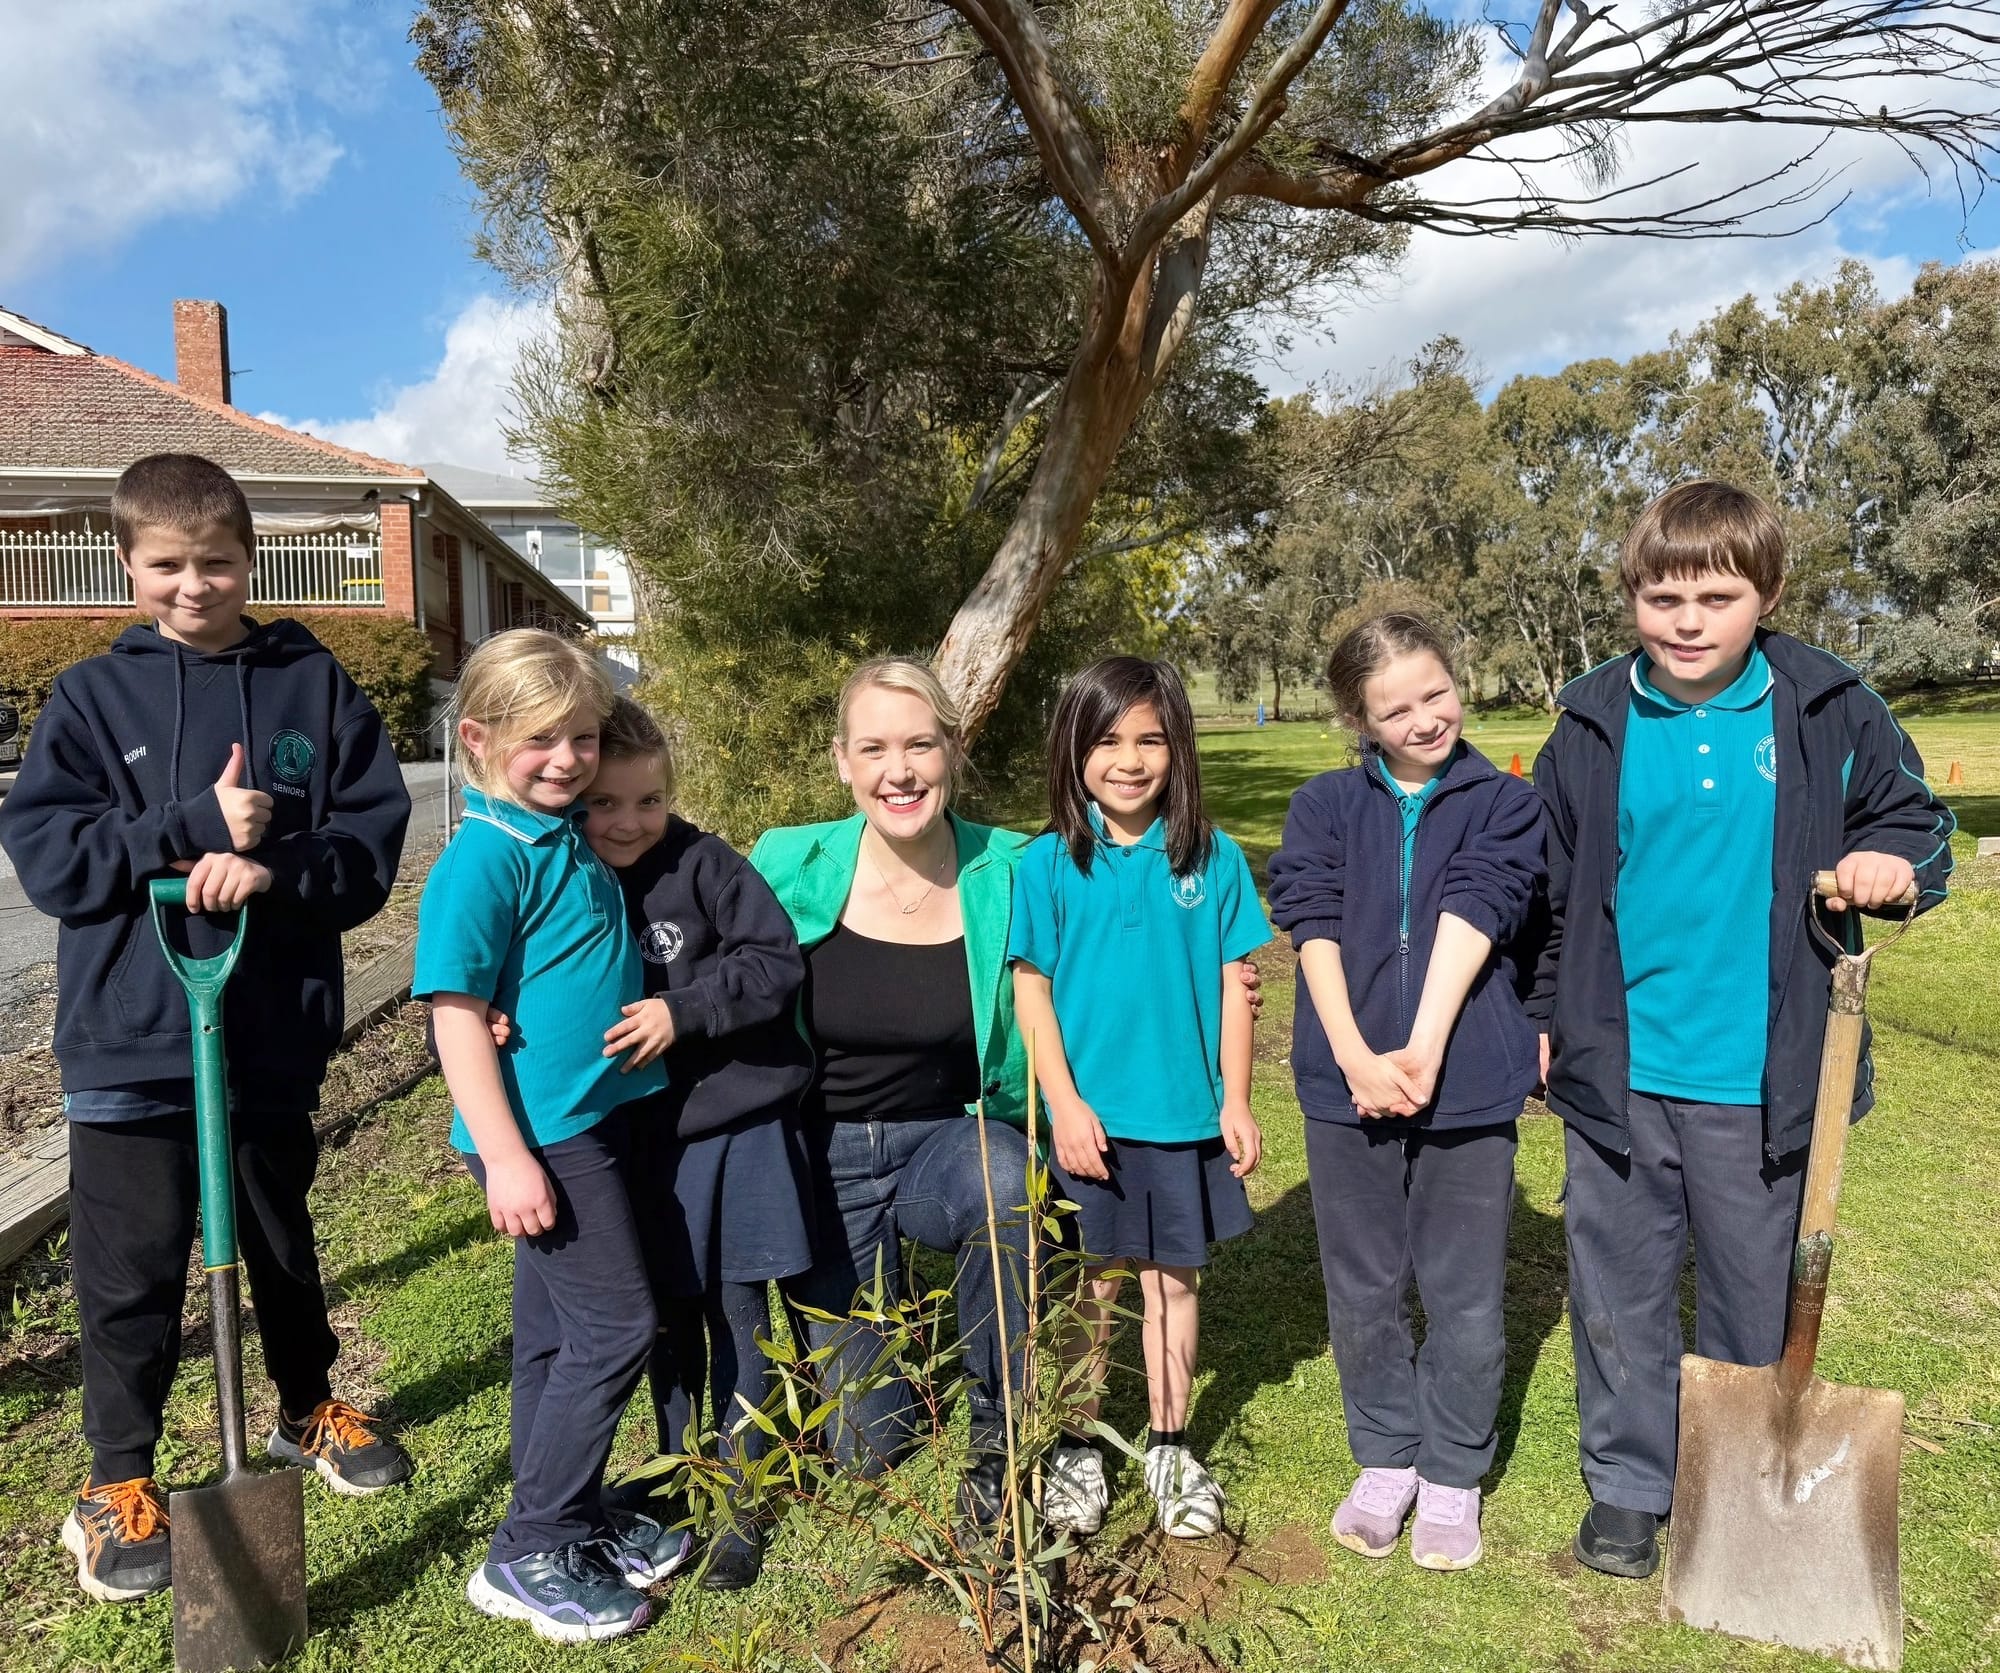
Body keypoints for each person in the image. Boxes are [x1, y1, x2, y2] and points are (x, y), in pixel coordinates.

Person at [0, 453, 416, 1603]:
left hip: (267, 1025)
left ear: (252, 558)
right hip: (134, 1032)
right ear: (127, 564)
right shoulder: (90, 698)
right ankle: (117, 1478)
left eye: (218, 562)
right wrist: (186, 828)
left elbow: (366, 847)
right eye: (169, 566)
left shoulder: (312, 685)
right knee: (130, 1266)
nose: (196, 586)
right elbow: (52, 860)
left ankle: (302, 1408)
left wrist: (267, 866)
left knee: (279, 1237)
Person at [1530, 481, 1954, 1580]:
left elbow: (1916, 823)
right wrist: (1544, 1025)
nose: (1685, 618)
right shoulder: (1588, 721)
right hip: (1619, 1069)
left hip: (1764, 1075)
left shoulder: (1825, 704)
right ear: (1630, 596)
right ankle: (1625, 1486)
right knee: (1618, 1286)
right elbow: (1546, 892)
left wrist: (1890, 868)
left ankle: (1727, 1482)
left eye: (1713, 595)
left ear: (1763, 595)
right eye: (1660, 594)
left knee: (1750, 1287)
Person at [415, 629, 683, 1643]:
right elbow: (451, 1010)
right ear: (481, 739)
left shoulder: (558, 829)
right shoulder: (483, 857)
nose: (568, 757)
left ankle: (569, 1510)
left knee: (553, 1336)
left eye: (581, 734)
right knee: (616, 1326)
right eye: (542, 739)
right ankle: (530, 1547)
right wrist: (508, 1152)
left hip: (586, 1119)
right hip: (543, 1137)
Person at [1267, 614, 1546, 1571]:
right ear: (1359, 717)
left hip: (1464, 1081)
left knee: (1463, 1293)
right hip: (1342, 1084)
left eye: (1436, 693)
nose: (1425, 718)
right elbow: (1308, 920)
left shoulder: (1508, 801)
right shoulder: (1321, 807)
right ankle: (1387, 1455)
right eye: (1396, 708)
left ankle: (1457, 1467)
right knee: (1363, 1286)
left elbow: (1485, 901)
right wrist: (1352, 1053)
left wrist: (1422, 1046)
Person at [747, 659, 1038, 1534]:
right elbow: (679, 945)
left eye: (919, 744)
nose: (898, 770)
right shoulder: (786, 860)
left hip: (946, 1143)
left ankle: (1001, 1436)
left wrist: (1216, 988)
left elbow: (1114, 950)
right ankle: (884, 1333)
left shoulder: (1014, 866)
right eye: (873, 748)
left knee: (1004, 1180)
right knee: (871, 1444)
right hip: (825, 1154)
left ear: (953, 749)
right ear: (842, 761)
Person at [1010, 657, 1272, 1541]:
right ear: (1072, 750)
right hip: (1092, 1126)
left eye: (1151, 738)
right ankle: (1076, 1446)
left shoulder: (1215, 856)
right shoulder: (1046, 863)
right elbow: (1033, 994)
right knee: (1093, 1288)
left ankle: (1169, 1444)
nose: (1129, 758)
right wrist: (1066, 1105)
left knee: (1173, 1284)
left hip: (1183, 1120)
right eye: (1107, 739)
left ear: (1178, 748)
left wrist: (1235, 1100)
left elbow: (1240, 983)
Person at [581, 696, 816, 1592]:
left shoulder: (709, 864)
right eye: (605, 802)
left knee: (736, 1314)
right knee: (667, 1321)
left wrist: (685, 1010)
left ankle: (741, 1494)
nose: (628, 822)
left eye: (647, 801)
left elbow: (774, 962)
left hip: (731, 1130)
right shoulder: (568, 867)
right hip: (634, 1140)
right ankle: (679, 1475)